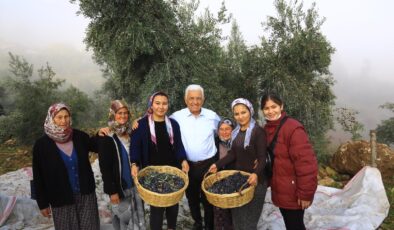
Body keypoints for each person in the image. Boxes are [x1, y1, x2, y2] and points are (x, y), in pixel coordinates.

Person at [32, 103, 100, 230]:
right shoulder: (41, 145)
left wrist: (102, 134)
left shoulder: (80, 137)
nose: (64, 120)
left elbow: (97, 146)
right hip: (60, 198)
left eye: (66, 116)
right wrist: (42, 203)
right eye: (59, 117)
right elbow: (38, 176)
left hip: (86, 195)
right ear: (52, 119)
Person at [130, 92, 189, 230]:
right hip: (152, 173)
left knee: (173, 205)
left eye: (164, 103)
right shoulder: (141, 125)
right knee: (156, 208)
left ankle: (171, 227)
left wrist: (183, 160)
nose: (161, 107)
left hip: (172, 171)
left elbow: (178, 145)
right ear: (151, 104)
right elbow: (135, 147)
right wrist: (134, 163)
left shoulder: (173, 124)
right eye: (157, 103)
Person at [260, 93, 318, 230]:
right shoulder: (267, 129)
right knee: (290, 223)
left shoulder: (293, 128)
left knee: (295, 225)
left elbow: (306, 164)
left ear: (281, 106)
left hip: (294, 191)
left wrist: (305, 194)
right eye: (266, 108)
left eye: (274, 106)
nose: (270, 111)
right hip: (280, 188)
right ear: (262, 110)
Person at [208, 98, 268, 230]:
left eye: (243, 112)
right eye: (236, 114)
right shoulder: (236, 132)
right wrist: (217, 165)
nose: (240, 117)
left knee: (249, 223)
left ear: (250, 111)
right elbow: (233, 154)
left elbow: (262, 158)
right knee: (238, 220)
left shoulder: (257, 131)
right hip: (240, 181)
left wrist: (256, 174)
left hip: (256, 182)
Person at [171, 84, 220, 230]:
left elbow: (226, 132)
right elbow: (158, 122)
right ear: (186, 100)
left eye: (198, 98)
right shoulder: (176, 117)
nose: (195, 102)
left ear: (203, 100)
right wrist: (137, 122)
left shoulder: (212, 116)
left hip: (208, 165)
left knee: (209, 198)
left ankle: (210, 226)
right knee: (192, 198)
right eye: (191, 98)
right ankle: (198, 223)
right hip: (188, 166)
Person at [97, 100, 146, 230]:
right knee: (124, 221)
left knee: (138, 220)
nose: (123, 116)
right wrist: (112, 191)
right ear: (113, 115)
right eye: (119, 113)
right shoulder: (107, 137)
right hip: (120, 188)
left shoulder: (132, 132)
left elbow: (151, 115)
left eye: (125, 113)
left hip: (135, 186)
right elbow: (105, 168)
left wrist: (138, 121)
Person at [213, 118, 235, 230]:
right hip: (218, 179)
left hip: (234, 179)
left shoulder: (238, 142)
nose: (224, 132)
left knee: (232, 208)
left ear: (233, 130)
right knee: (219, 209)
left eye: (227, 129)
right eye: (221, 129)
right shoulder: (214, 142)